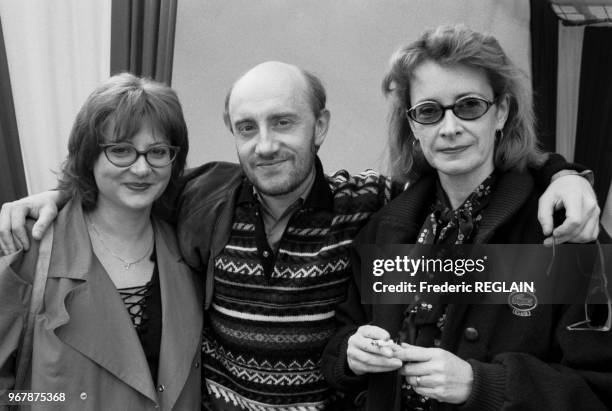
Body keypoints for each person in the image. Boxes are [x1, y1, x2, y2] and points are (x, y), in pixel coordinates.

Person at [0, 62, 601, 410]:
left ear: (322, 126)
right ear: (231, 135)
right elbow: (127, 181)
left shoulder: (378, 207)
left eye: (284, 122)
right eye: (247, 126)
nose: (266, 143)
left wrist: (564, 174)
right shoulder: (200, 195)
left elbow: (464, 167)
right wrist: (56, 199)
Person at [321, 25, 612, 410]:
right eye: (428, 111)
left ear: (502, 112)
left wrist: (482, 383)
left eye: (470, 105)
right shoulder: (386, 228)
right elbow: (341, 337)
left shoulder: (566, 230)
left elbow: (599, 388)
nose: (450, 128)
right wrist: (350, 354)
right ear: (412, 125)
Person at [0, 73, 202, 410]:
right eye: (120, 151)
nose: (141, 169)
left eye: (157, 151)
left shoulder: (190, 245)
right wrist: (55, 399)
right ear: (89, 156)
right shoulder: (30, 250)